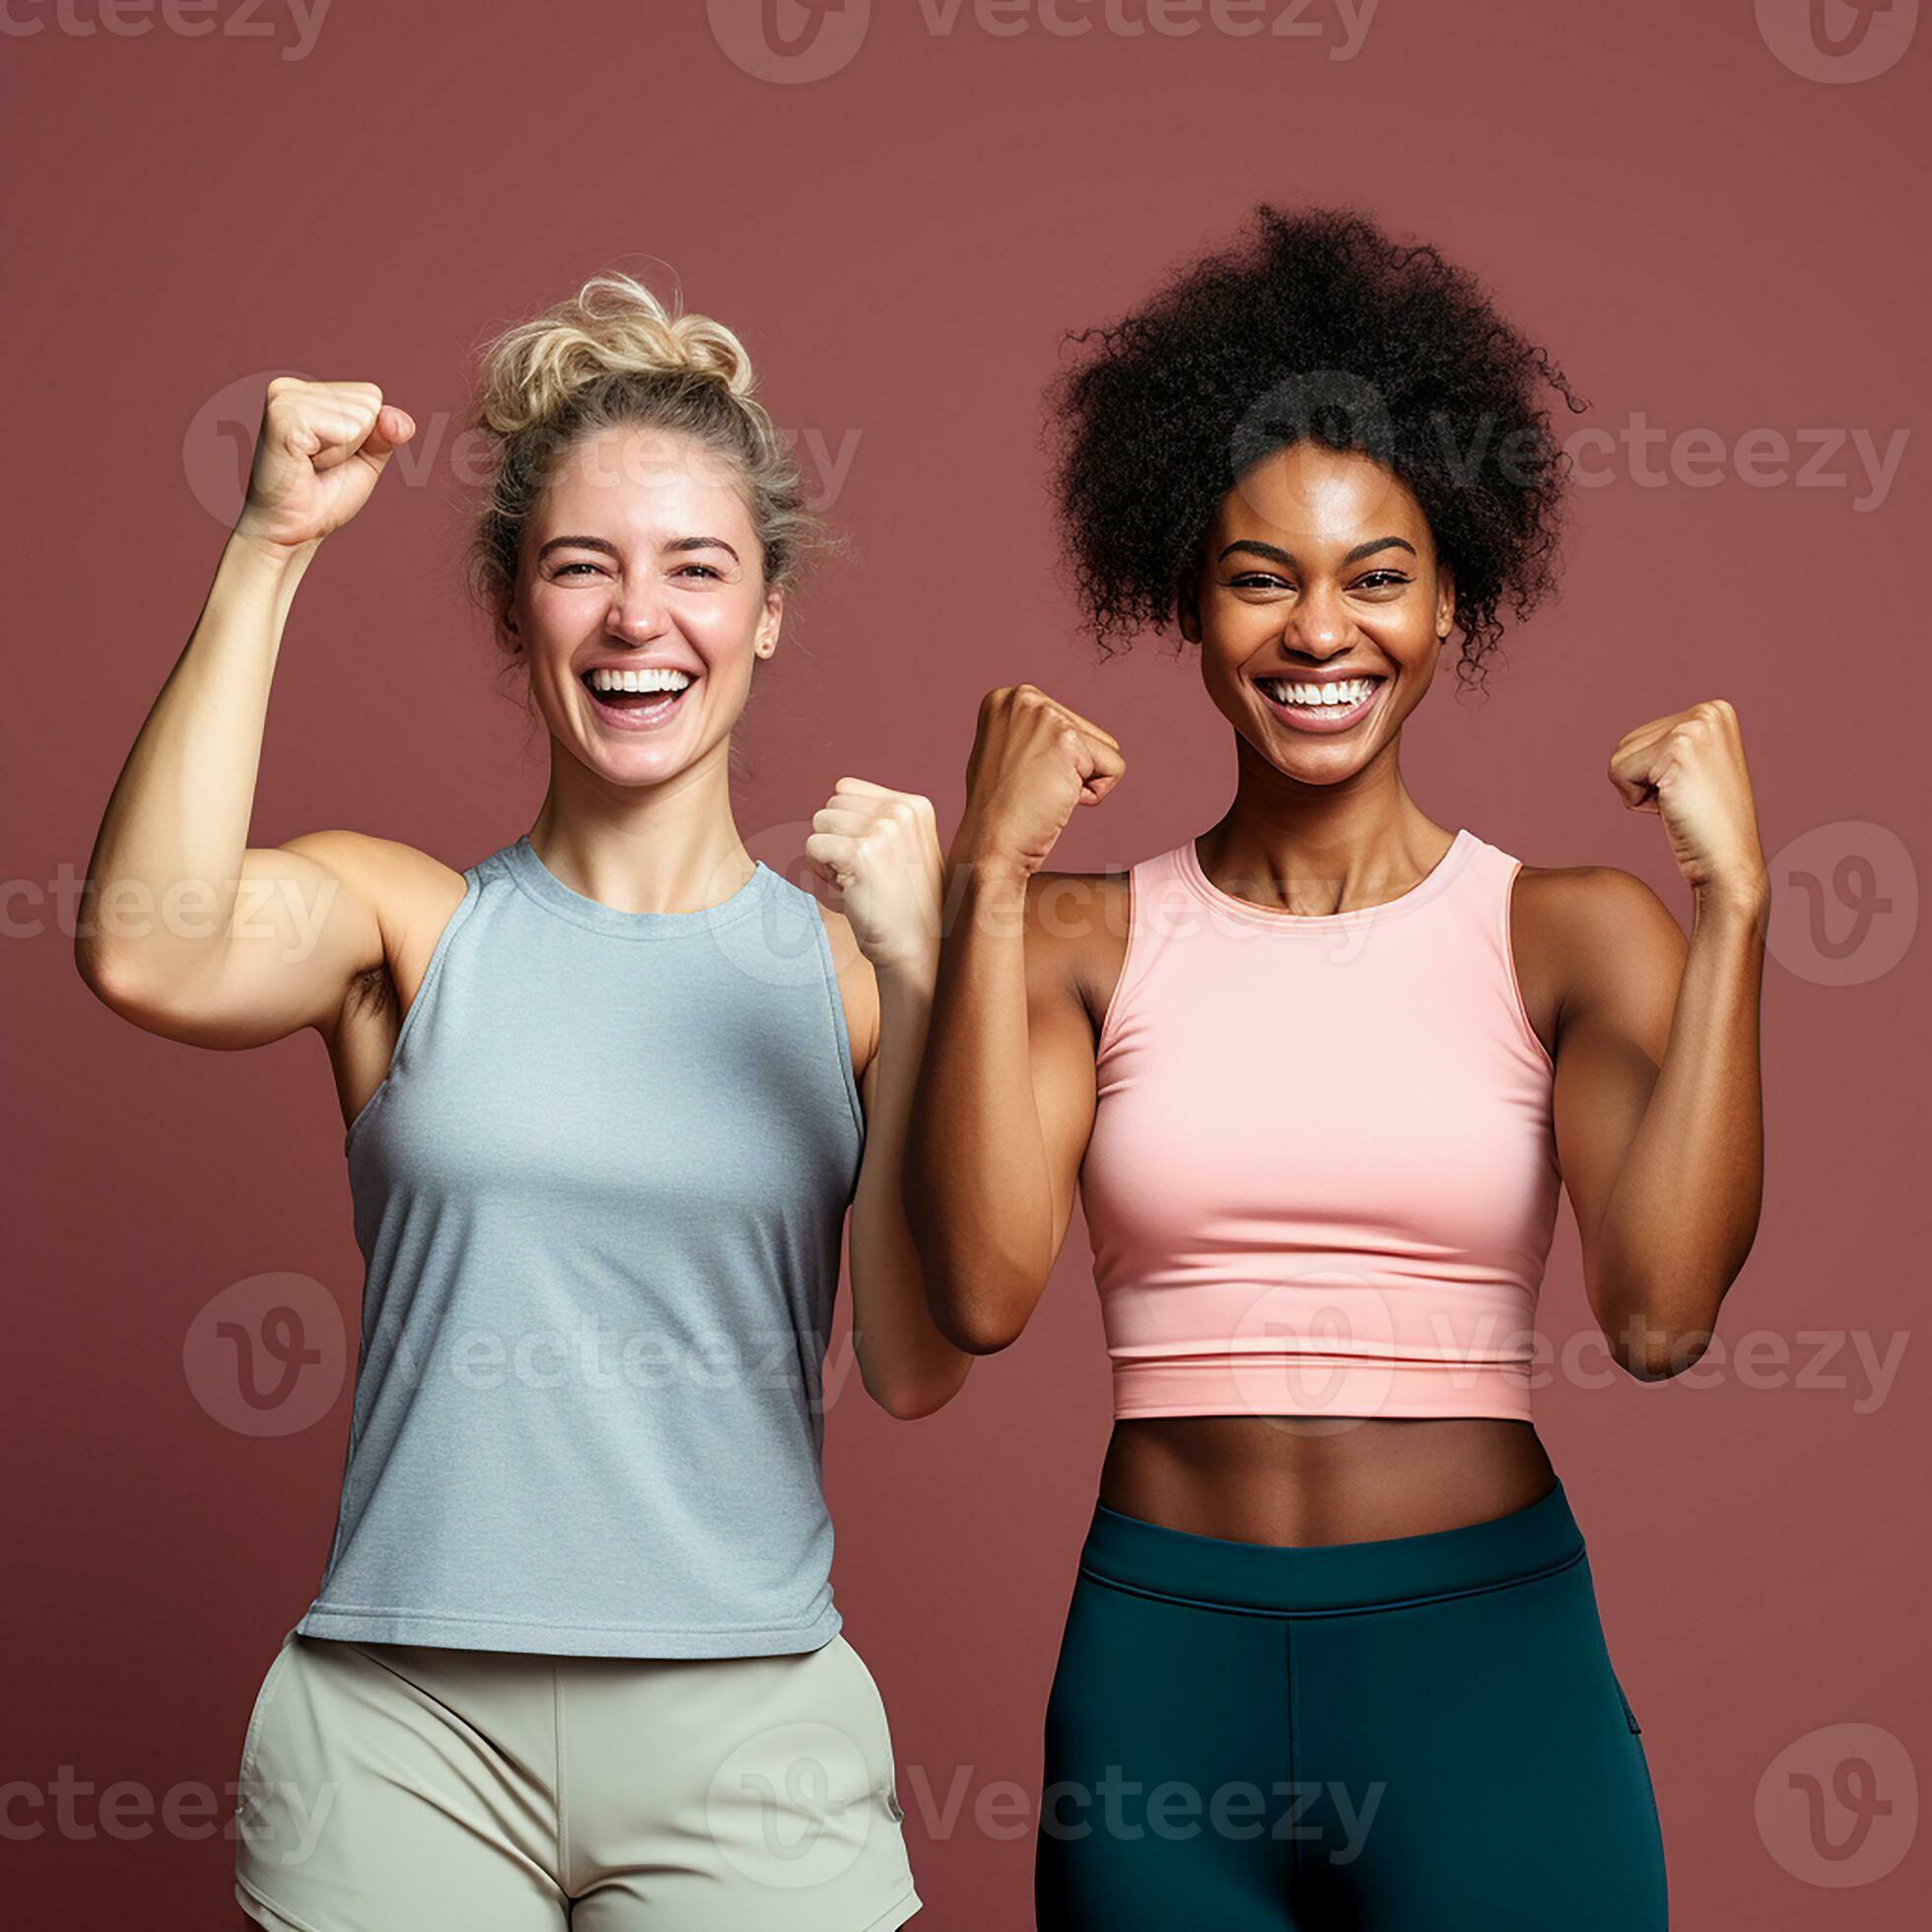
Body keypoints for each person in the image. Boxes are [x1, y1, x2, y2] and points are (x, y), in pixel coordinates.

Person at [904, 206, 1768, 1928]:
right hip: (1164, 1675)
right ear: (1185, 601)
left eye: (1378, 576)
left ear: (1455, 602)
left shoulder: (1573, 933)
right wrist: (987, 881)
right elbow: (986, 1293)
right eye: (1260, 578)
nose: (1321, 633)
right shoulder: (1079, 934)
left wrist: (1737, 907)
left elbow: (1662, 1320)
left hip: (1483, 1675)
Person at [76, 270, 969, 1930]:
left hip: (750, 1726)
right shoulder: (408, 924)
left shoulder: (850, 977)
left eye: (697, 568)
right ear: (517, 613)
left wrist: (923, 978)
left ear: (769, 608)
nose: (642, 619)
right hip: (395, 1734)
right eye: (583, 569)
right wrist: (271, 547)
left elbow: (914, 1367)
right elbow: (143, 951)